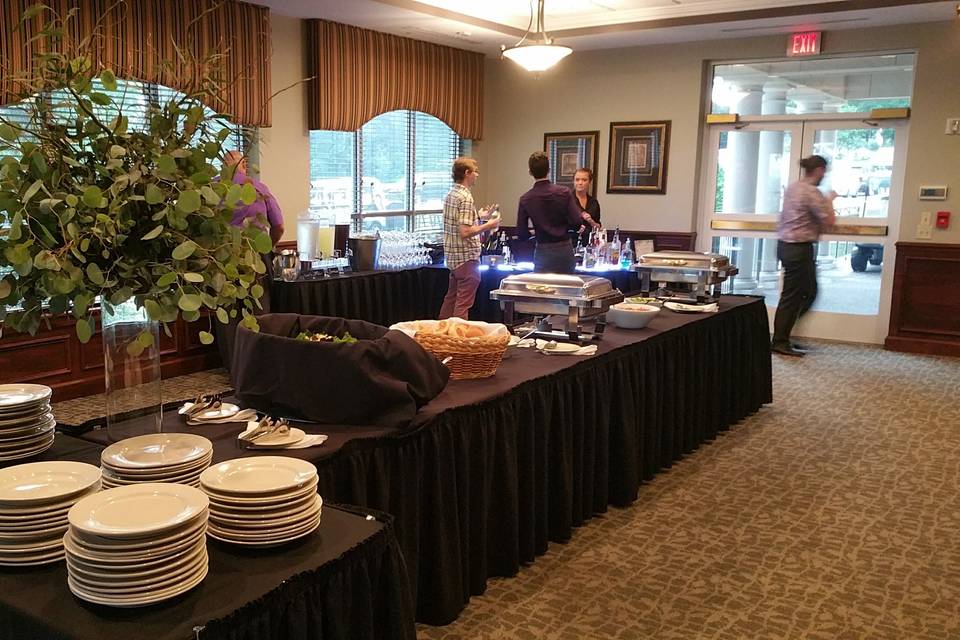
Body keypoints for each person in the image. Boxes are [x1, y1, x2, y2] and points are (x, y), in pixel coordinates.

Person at [771, 155, 837, 357]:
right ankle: (780, 340)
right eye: (824, 171)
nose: (824, 175)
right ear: (818, 170)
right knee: (794, 296)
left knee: (807, 291)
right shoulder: (811, 192)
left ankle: (784, 336)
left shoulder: (794, 187)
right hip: (798, 248)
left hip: (786, 246)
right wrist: (830, 200)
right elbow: (829, 222)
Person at [439, 157, 499, 320]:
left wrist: (478, 217)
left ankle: (441, 336)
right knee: (462, 305)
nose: (477, 175)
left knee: (450, 300)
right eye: (475, 171)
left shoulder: (451, 194)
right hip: (467, 259)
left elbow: (457, 223)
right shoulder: (465, 197)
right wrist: (489, 224)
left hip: (453, 259)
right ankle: (459, 342)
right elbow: (465, 232)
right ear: (467, 173)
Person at [517, 152, 594, 273]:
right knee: (567, 288)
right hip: (564, 250)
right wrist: (564, 227)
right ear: (549, 170)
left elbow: (521, 234)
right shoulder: (564, 192)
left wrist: (537, 230)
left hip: (542, 252)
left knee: (542, 289)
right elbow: (577, 222)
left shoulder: (525, 198)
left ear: (530, 172)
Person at [572, 167, 601, 246]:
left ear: (589, 182)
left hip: (589, 242)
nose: (580, 183)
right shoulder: (567, 200)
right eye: (577, 180)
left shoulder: (594, 202)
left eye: (584, 180)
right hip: (571, 242)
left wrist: (590, 221)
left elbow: (598, 227)